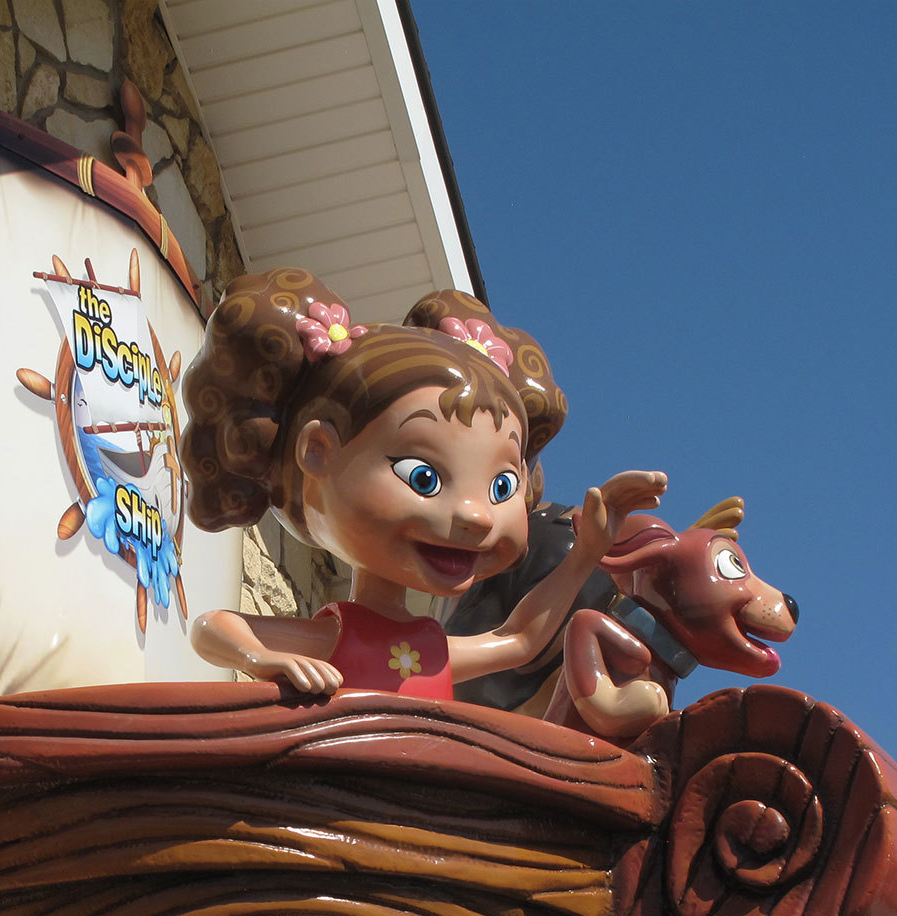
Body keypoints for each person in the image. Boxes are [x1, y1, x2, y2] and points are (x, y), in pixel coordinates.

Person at [183, 268, 665, 698]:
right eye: (424, 477)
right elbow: (215, 626)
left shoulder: (430, 648)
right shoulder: (342, 636)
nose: (476, 516)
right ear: (317, 452)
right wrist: (261, 658)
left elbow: (519, 640)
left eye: (501, 486)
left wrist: (587, 553)